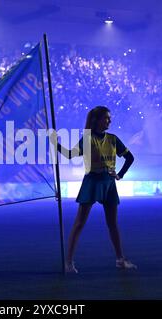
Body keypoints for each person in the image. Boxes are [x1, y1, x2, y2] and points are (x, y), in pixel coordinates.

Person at [51, 106, 136, 273]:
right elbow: (69, 155)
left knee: (112, 224)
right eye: (106, 118)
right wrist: (56, 144)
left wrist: (119, 175)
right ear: (96, 120)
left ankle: (120, 260)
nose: (109, 121)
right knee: (80, 223)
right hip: (92, 182)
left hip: (109, 183)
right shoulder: (88, 139)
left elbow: (130, 158)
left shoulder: (113, 139)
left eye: (109, 118)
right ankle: (68, 263)